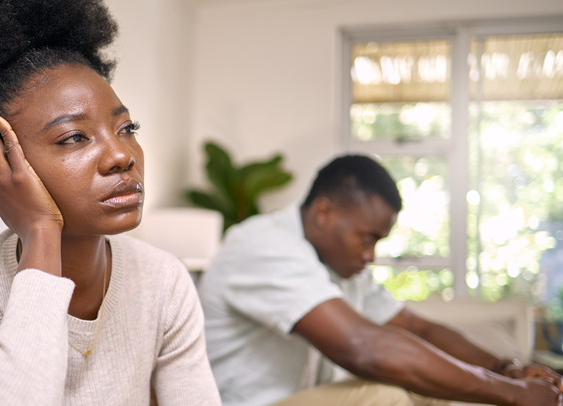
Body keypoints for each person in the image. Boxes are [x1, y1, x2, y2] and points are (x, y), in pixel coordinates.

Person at [0, 0, 220, 404]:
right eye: (73, 137)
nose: (121, 155)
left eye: (126, 128)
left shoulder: (163, 281)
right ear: (4, 162)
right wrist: (41, 231)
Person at [197, 154, 562, 406]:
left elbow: (416, 328)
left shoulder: (340, 266)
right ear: (325, 212)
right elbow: (363, 347)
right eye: (367, 237)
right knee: (384, 397)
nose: (370, 256)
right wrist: (512, 394)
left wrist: (506, 369)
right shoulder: (262, 244)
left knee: (433, 389)